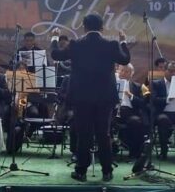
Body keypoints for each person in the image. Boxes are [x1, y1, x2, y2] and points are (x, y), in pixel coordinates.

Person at [50, 14, 130, 182]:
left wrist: (55, 37)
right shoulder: (111, 45)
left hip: (82, 97)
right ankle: (107, 171)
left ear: (84, 27)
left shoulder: (76, 45)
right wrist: (123, 41)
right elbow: (125, 59)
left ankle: (81, 172)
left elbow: (56, 55)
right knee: (104, 134)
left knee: (84, 134)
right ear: (102, 28)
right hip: (105, 98)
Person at [150, 61, 175, 160]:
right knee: (163, 120)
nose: (173, 73)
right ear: (165, 71)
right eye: (171, 71)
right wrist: (167, 99)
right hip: (163, 112)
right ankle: (164, 151)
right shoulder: (156, 83)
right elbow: (153, 99)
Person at [115, 63, 149, 160]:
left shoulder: (139, 86)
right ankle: (109, 150)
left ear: (132, 74)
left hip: (129, 112)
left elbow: (144, 103)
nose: (123, 73)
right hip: (114, 110)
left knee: (136, 121)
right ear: (117, 71)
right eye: (121, 70)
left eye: (126, 71)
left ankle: (134, 152)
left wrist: (131, 95)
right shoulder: (112, 84)